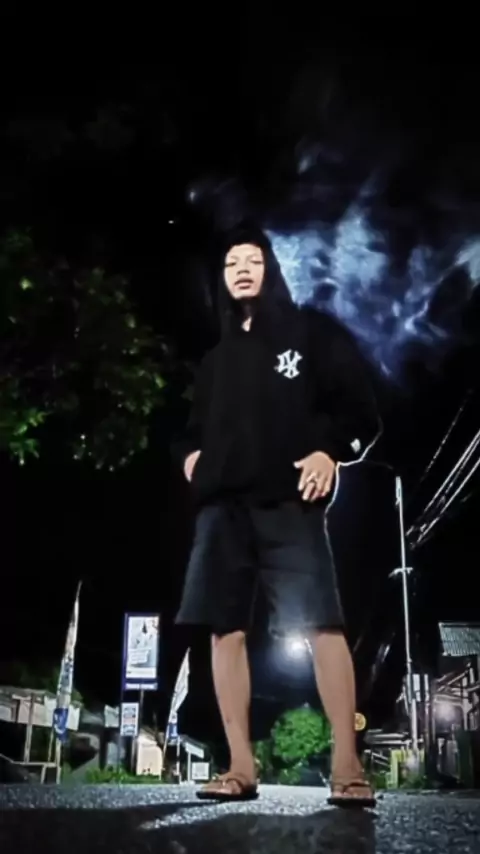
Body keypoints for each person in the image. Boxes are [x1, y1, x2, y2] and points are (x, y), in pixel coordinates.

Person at [174, 224, 381, 807]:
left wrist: (329, 452)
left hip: (289, 501)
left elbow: (360, 412)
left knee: (324, 625)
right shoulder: (214, 361)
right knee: (224, 630)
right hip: (223, 509)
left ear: (271, 269)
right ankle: (240, 766)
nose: (241, 269)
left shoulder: (309, 333)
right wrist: (189, 457)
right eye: (231, 262)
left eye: (252, 260)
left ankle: (348, 765)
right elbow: (187, 431)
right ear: (222, 278)